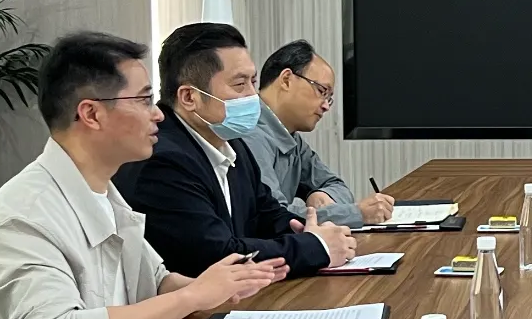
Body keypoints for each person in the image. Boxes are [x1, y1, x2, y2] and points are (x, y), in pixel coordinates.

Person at [0, 32, 287, 319]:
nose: (158, 114)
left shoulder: (104, 191)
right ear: (92, 114)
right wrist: (192, 296)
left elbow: (156, 280)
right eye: (144, 100)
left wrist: (220, 290)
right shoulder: (24, 214)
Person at [115, 22, 356, 278]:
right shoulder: (163, 160)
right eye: (240, 85)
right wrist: (316, 247)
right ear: (189, 97)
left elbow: (268, 214)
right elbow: (217, 256)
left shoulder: (232, 144)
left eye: (253, 81)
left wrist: (313, 232)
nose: (254, 95)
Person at [242, 39, 394, 227]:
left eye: (329, 99)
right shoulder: (250, 134)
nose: (325, 106)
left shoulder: (292, 138)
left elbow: (337, 185)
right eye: (322, 91)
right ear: (286, 80)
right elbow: (274, 216)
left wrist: (323, 195)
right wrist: (357, 214)